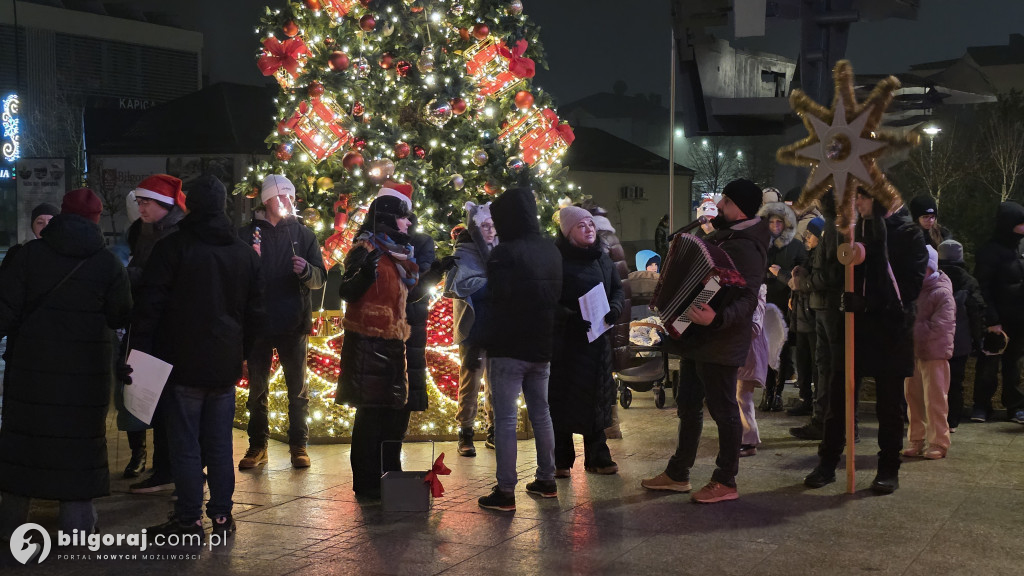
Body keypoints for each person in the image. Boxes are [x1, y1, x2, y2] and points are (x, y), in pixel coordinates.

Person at [132, 176, 263, 539]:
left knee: (185, 444)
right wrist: (241, 351)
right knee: (220, 443)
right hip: (224, 364)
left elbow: (150, 307)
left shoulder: (172, 248)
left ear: (188, 204)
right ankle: (222, 516)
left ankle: (189, 519)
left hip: (181, 362)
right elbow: (256, 313)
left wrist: (140, 352)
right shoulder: (242, 253)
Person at [0, 188, 132, 538]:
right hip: (85, 374)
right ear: (96, 220)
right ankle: (77, 526)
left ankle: (9, 523)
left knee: (24, 443)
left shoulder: (29, 256)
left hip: (31, 369)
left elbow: (5, 313)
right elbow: (121, 314)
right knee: (79, 445)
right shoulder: (107, 264)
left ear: (61, 214)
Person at [641, 179, 769, 504]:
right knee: (688, 404)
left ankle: (726, 480)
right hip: (696, 338)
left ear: (738, 206)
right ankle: (678, 473)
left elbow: (747, 299)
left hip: (720, 340)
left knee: (724, 410)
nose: (719, 207)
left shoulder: (748, 246)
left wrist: (716, 319)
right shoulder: (726, 237)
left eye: (725, 201)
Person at [804, 188, 927, 494]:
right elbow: (835, 270)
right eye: (854, 197)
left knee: (889, 405)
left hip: (890, 331)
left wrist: (869, 302)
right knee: (838, 399)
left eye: (864, 197)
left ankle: (888, 468)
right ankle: (827, 463)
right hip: (851, 329)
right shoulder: (848, 230)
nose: (857, 203)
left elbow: (909, 287)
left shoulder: (906, 234)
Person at [477, 187, 561, 512]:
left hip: (508, 347)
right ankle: (547, 479)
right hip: (542, 345)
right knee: (542, 413)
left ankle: (505, 490)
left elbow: (497, 301)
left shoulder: (504, 253)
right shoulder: (550, 250)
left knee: (506, 420)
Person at [239, 175, 326, 470]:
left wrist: (306, 271)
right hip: (258, 323)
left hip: (293, 322)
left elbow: (319, 277)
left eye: (290, 197)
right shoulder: (248, 234)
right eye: (280, 197)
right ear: (266, 200)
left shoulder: (304, 234)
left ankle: (299, 445)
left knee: (297, 390)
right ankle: (257, 445)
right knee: (257, 390)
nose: (287, 202)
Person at [336, 194, 418, 500]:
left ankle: (391, 479)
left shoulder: (400, 253)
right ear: (385, 217)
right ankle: (369, 484)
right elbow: (346, 290)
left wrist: (435, 273)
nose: (408, 222)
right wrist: (363, 275)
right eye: (403, 215)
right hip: (368, 343)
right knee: (370, 418)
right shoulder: (365, 247)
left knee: (393, 419)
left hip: (394, 342)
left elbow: (406, 297)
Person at [119, 174, 186, 489]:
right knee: (154, 400)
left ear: (164, 204)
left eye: (145, 202)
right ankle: (163, 468)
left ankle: (169, 471)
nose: (140, 207)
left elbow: (161, 280)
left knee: (168, 404)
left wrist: (131, 276)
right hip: (147, 325)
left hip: (167, 330)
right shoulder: (145, 230)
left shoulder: (176, 234)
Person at [549, 206, 624, 478]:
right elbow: (548, 299)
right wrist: (569, 319)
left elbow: (616, 288)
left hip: (598, 340)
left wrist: (614, 308)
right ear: (568, 232)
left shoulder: (602, 258)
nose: (589, 229)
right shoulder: (556, 260)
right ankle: (561, 460)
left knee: (597, 397)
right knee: (564, 399)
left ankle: (598, 456)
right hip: (568, 343)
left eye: (591, 224)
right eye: (581, 226)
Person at [445, 201, 497, 457]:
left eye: (493, 225)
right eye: (485, 225)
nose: (490, 230)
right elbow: (462, 285)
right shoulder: (463, 251)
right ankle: (465, 431)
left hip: (497, 326)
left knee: (496, 381)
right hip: (474, 327)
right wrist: (495, 282)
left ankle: (494, 430)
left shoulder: (499, 250)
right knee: (471, 381)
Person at [790, 199, 844, 442]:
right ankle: (823, 421)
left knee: (829, 368)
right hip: (821, 307)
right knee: (824, 367)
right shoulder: (831, 227)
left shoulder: (834, 228)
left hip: (828, 308)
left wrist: (807, 283)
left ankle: (829, 424)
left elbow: (833, 273)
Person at [971, 201, 1024, 424]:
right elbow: (982, 287)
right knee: (988, 367)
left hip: (1019, 319)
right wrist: (992, 320)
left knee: (1015, 366)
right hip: (997, 321)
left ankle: (1015, 406)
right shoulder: (989, 252)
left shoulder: (1021, 248)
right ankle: (981, 405)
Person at [903, 245, 955, 460]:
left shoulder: (941, 292)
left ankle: (939, 442)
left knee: (935, 400)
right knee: (912, 398)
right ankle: (916, 439)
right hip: (912, 352)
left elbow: (942, 326)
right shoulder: (911, 289)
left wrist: (910, 329)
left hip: (934, 353)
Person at [584, 202, 630, 440]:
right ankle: (611, 423)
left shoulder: (599, 243)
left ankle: (609, 423)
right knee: (607, 370)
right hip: (618, 311)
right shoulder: (611, 237)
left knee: (602, 370)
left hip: (603, 314)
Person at [757, 197, 806, 411]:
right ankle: (767, 391)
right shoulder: (759, 244)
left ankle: (777, 392)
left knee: (782, 347)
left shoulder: (795, 246)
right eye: (772, 222)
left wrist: (782, 277)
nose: (776, 226)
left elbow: (800, 273)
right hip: (763, 301)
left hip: (785, 302)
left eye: (780, 222)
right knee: (764, 345)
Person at [936, 240, 985, 432]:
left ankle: (935, 418)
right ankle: (952, 420)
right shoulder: (969, 281)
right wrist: (977, 338)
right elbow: (977, 311)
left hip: (936, 340)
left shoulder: (933, 277)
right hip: (960, 341)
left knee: (935, 381)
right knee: (955, 382)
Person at [787, 217, 824, 417]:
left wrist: (794, 280)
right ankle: (806, 399)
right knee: (803, 359)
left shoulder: (821, 256)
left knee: (814, 362)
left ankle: (815, 401)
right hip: (803, 315)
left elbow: (812, 282)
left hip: (811, 316)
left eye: (811, 235)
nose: (807, 238)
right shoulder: (809, 256)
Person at [0, 202, 58, 272]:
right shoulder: (16, 253)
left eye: (51, 221)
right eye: (40, 222)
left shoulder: (67, 253)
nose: (45, 226)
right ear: (33, 227)